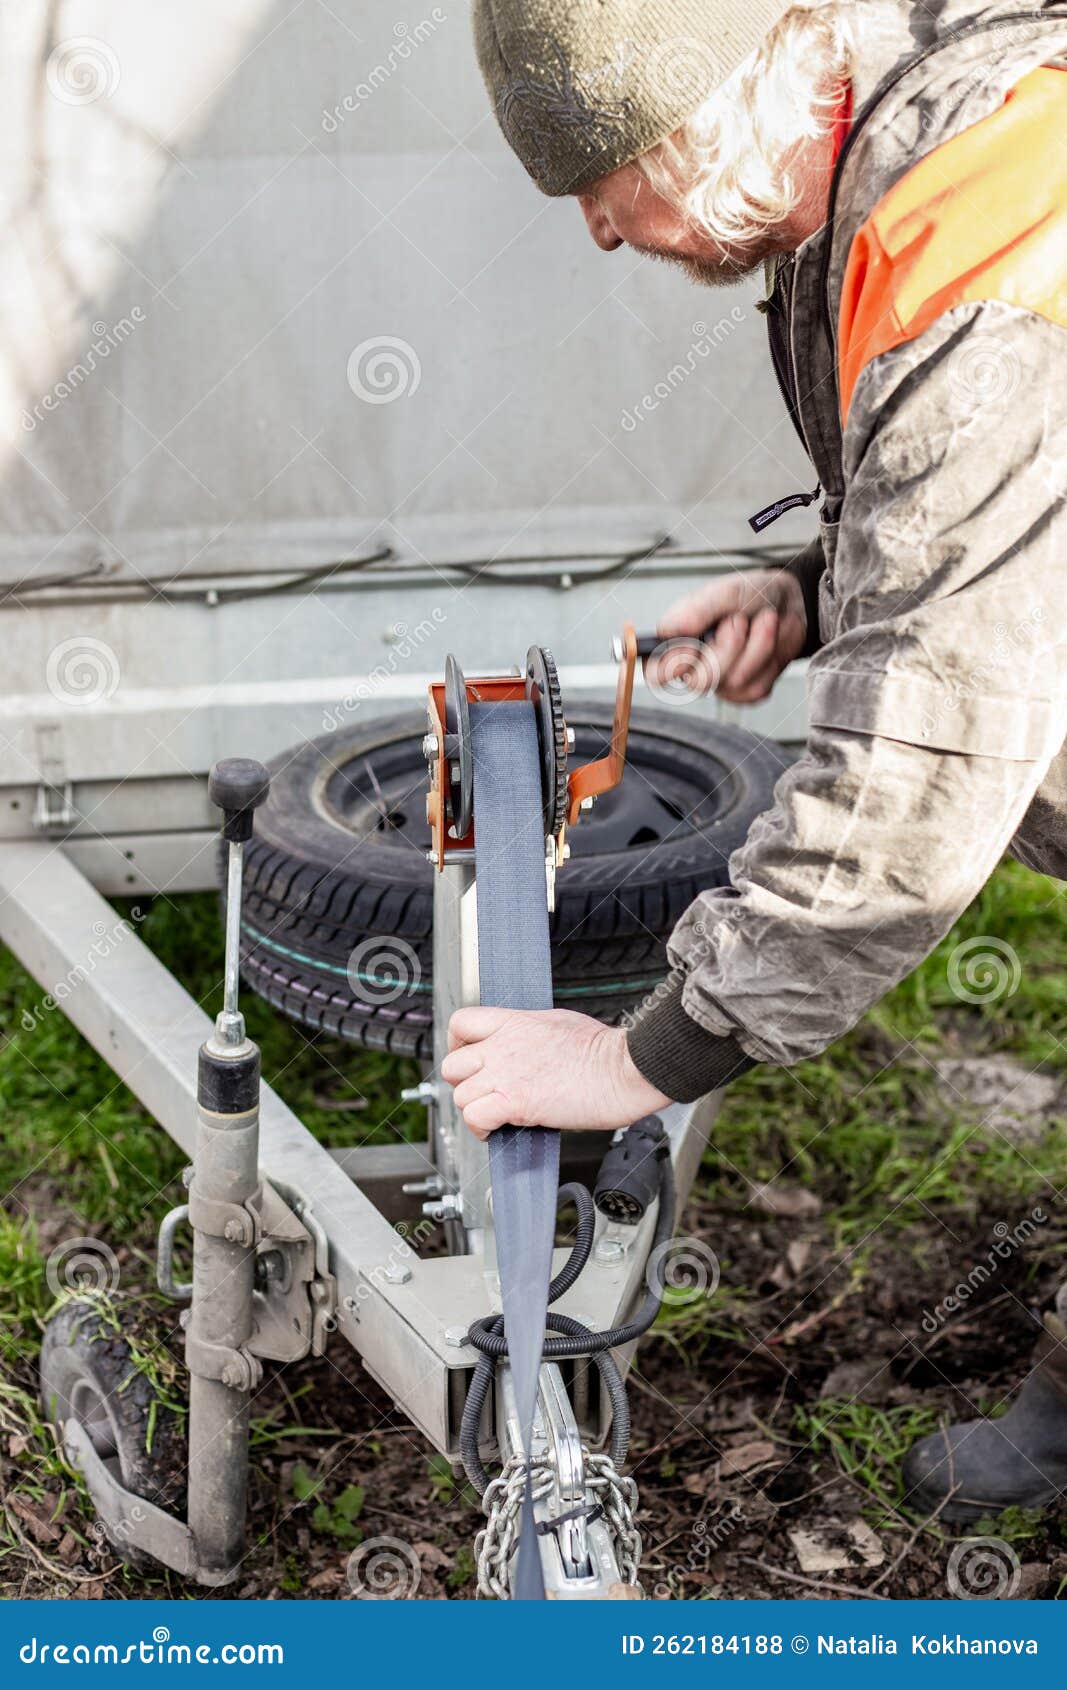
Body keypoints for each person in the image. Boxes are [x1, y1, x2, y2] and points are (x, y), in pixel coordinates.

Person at [442, 0, 1067, 1520]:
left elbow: (916, 765)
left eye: (609, 174)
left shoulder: (979, 234)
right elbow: (987, 531)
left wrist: (635, 1055)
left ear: (723, 110)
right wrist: (813, 591)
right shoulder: (917, 132)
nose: (599, 229)